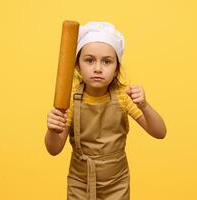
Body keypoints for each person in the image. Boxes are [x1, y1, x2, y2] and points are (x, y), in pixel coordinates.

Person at [45, 21, 166, 200]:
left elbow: (160, 132)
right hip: (80, 182)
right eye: (89, 60)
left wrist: (144, 106)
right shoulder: (69, 99)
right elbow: (54, 149)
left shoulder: (124, 97)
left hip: (116, 183)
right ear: (77, 65)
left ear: (117, 69)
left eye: (107, 61)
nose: (98, 68)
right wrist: (52, 130)